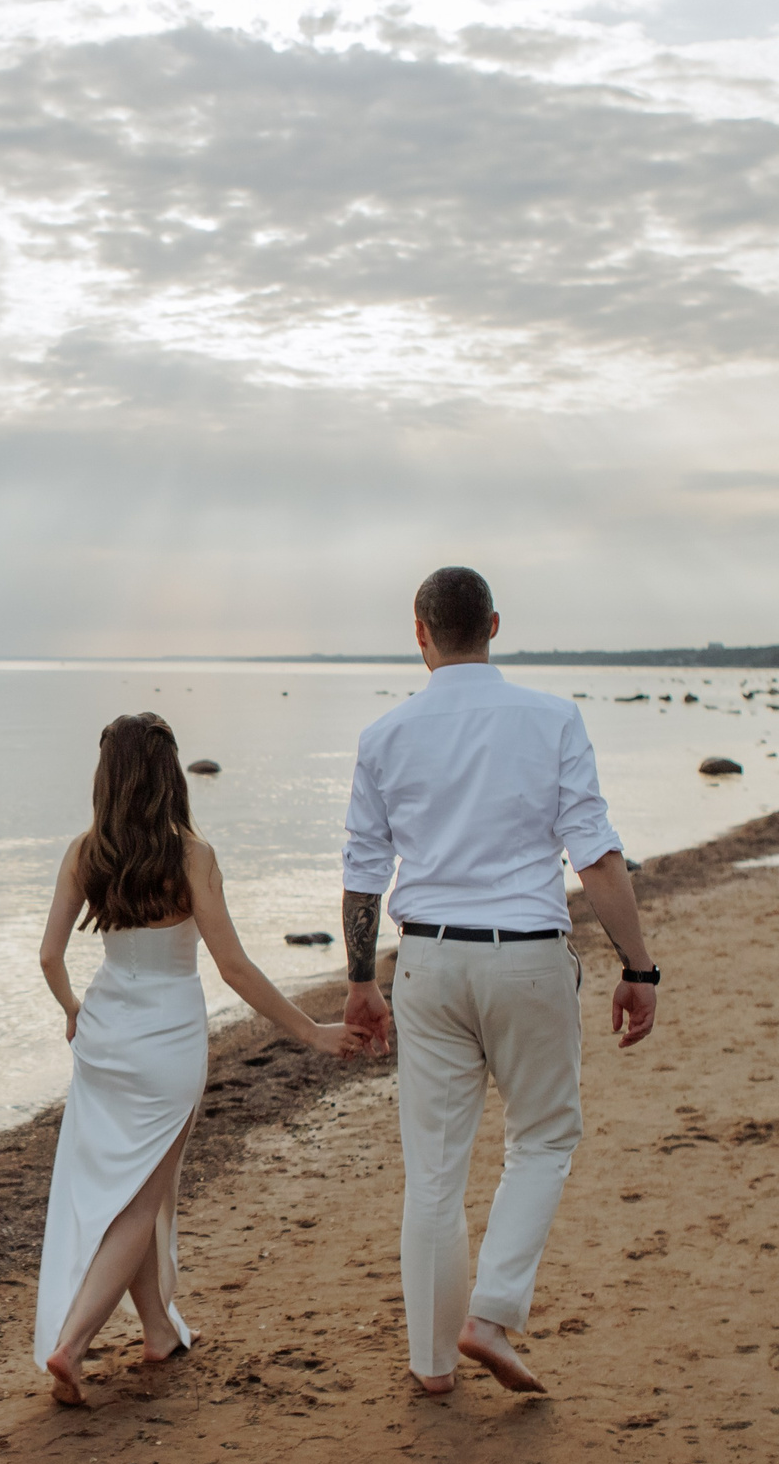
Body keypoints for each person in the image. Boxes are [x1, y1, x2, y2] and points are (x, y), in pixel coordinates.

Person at [339, 567, 660, 1397]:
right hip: (525, 956)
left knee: (435, 1171)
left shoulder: (383, 737)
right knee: (545, 1137)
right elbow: (594, 854)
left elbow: (364, 877)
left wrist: (361, 981)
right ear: (493, 624)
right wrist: (638, 965)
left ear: (419, 632)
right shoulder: (553, 719)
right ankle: (492, 1313)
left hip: (430, 960)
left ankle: (432, 1365)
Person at [34, 712, 358, 1405]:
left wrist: (71, 1010)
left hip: (105, 1035)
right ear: (169, 775)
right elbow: (233, 967)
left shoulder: (84, 852)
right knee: (142, 1197)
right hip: (168, 1039)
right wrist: (311, 1031)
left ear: (108, 778)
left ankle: (157, 1330)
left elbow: (50, 956)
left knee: (137, 1189)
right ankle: (73, 1344)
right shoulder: (192, 856)